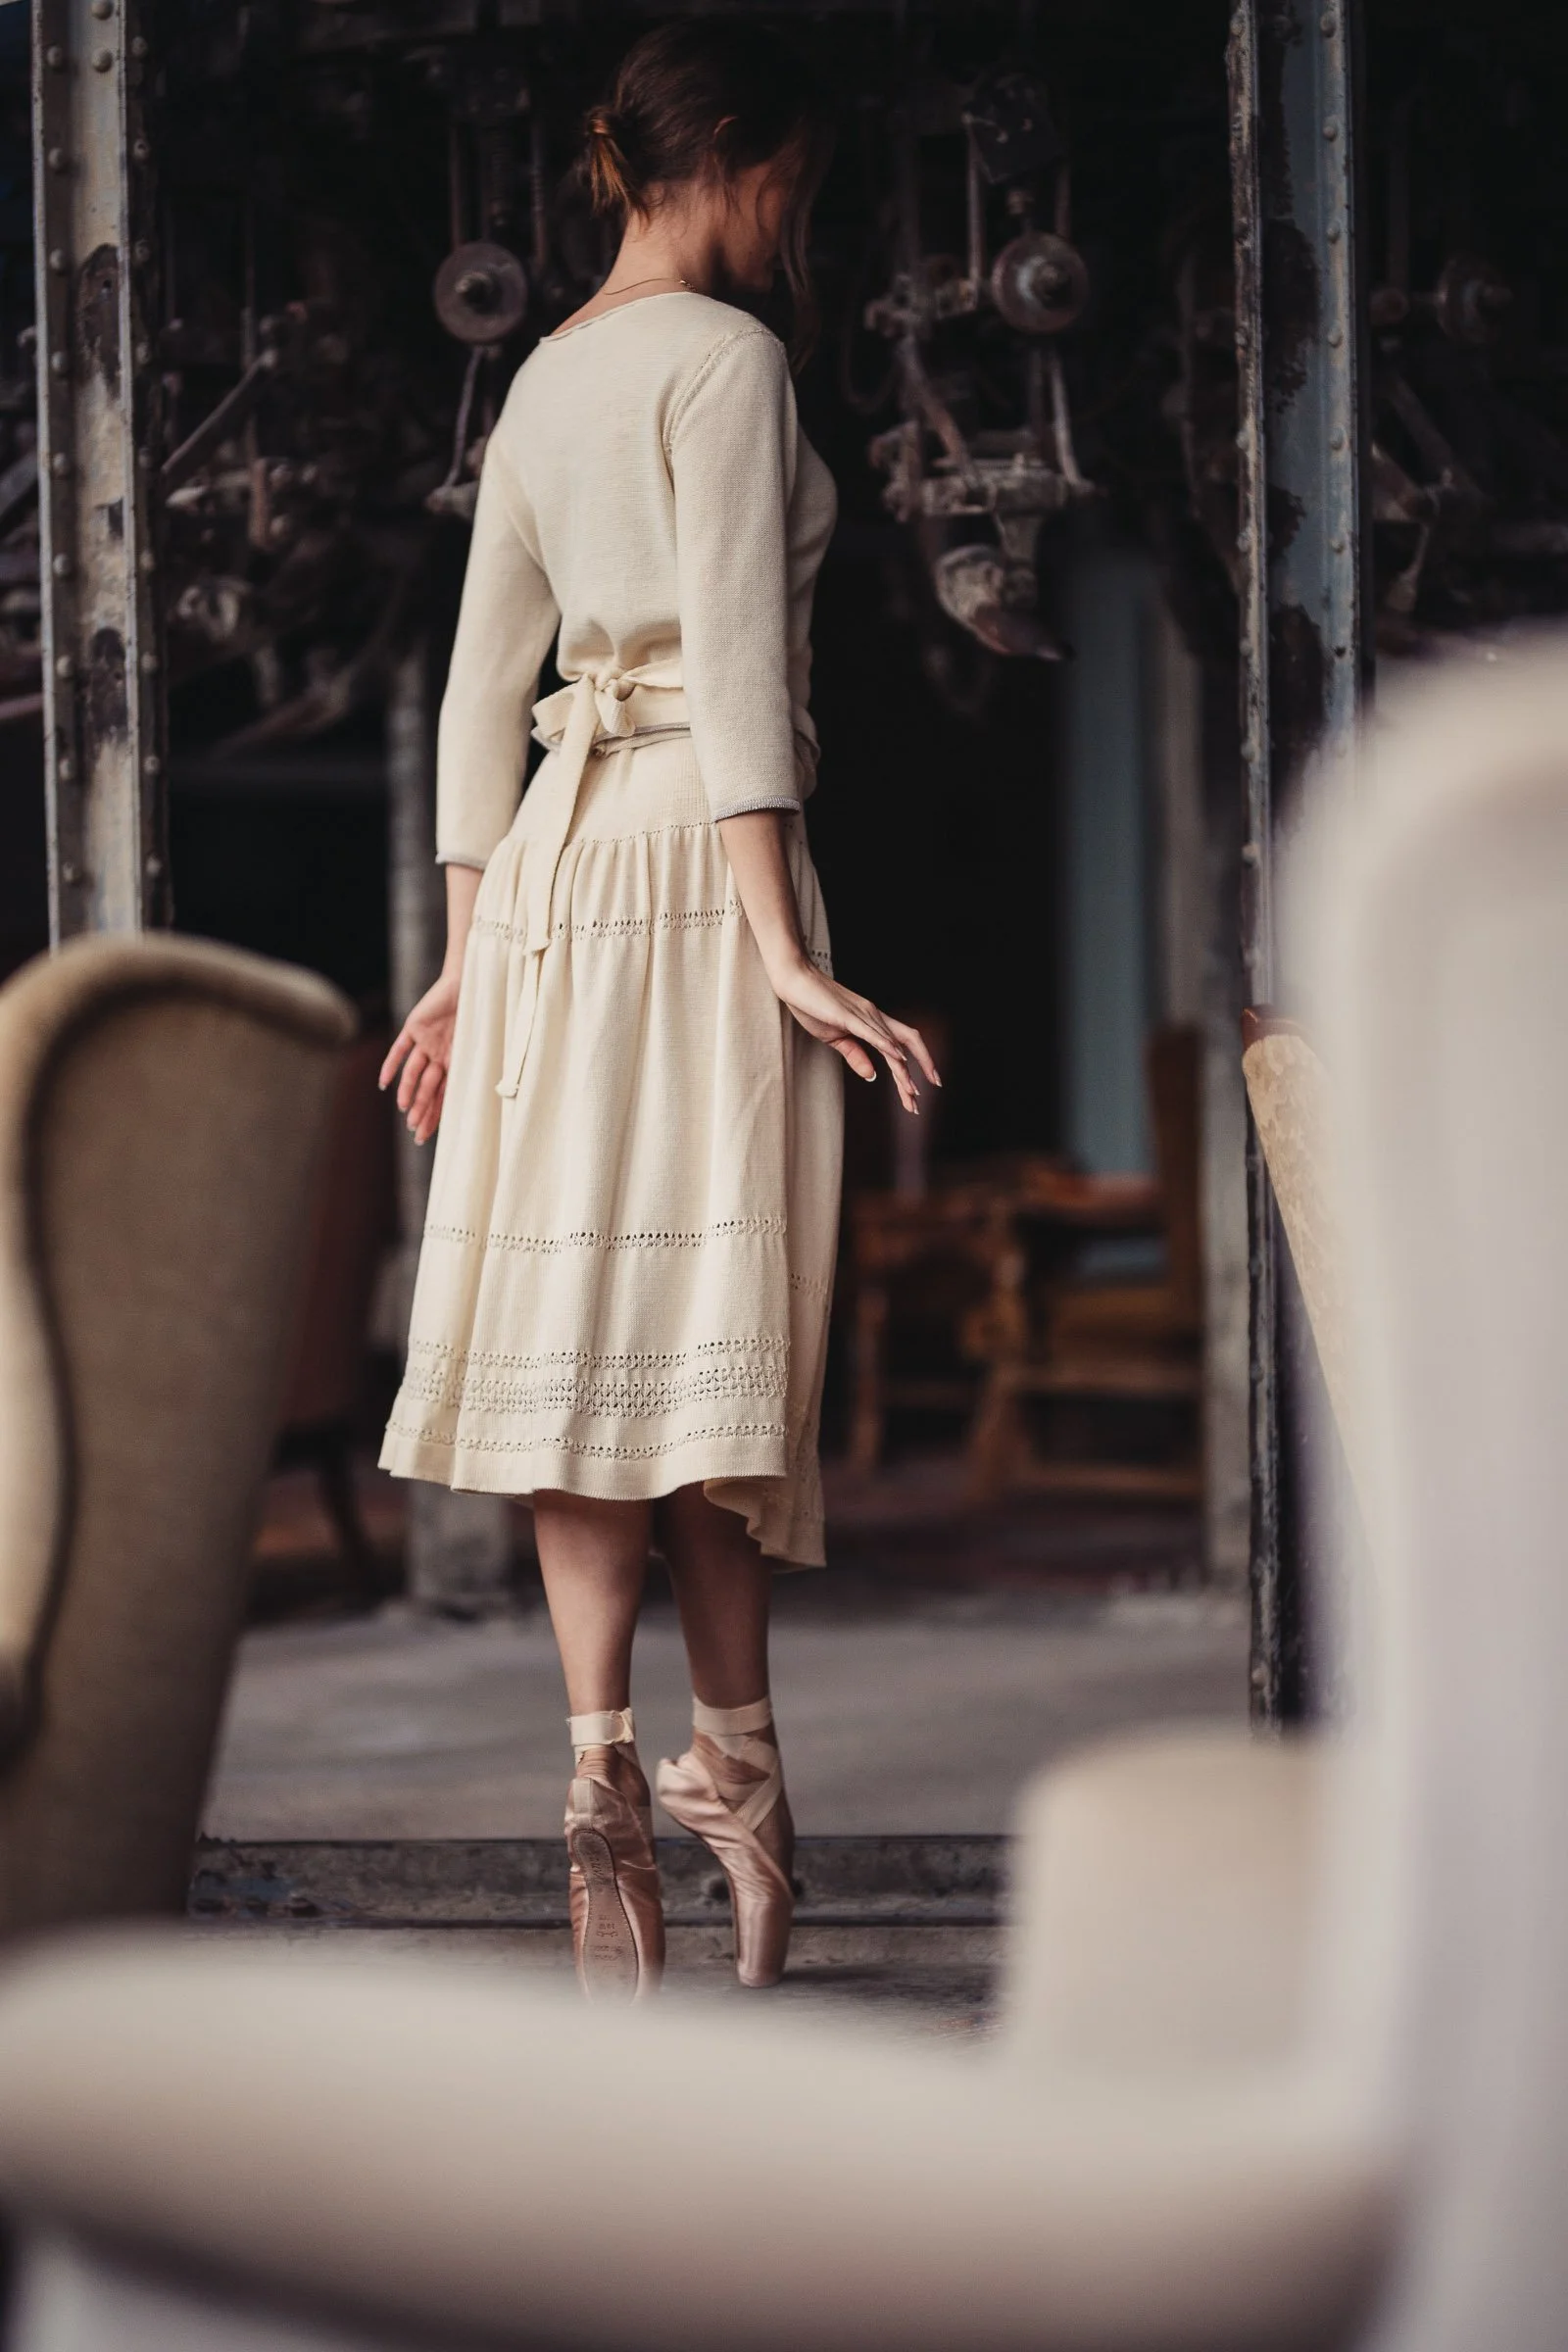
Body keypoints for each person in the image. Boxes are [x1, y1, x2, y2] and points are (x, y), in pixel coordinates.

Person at [378, 20, 938, 2003]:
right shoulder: (729, 362)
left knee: (577, 1347)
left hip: (545, 873)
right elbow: (735, 675)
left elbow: (473, 699)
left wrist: (461, 949)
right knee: (701, 1338)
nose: (794, 218)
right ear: (728, 163)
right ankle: (740, 1782)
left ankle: (612, 1777)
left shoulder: (538, 383)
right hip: (702, 873)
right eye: (787, 180)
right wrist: (780, 945)